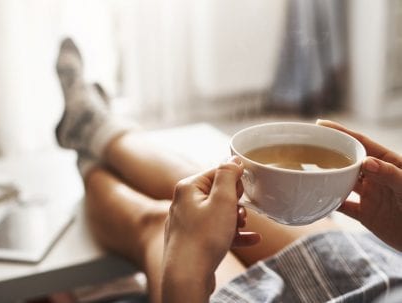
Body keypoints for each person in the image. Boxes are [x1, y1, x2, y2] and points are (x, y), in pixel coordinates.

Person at [55, 38, 402, 303]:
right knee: (206, 189)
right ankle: (94, 128)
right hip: (384, 280)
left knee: (160, 225)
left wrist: (186, 278)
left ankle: (90, 159)